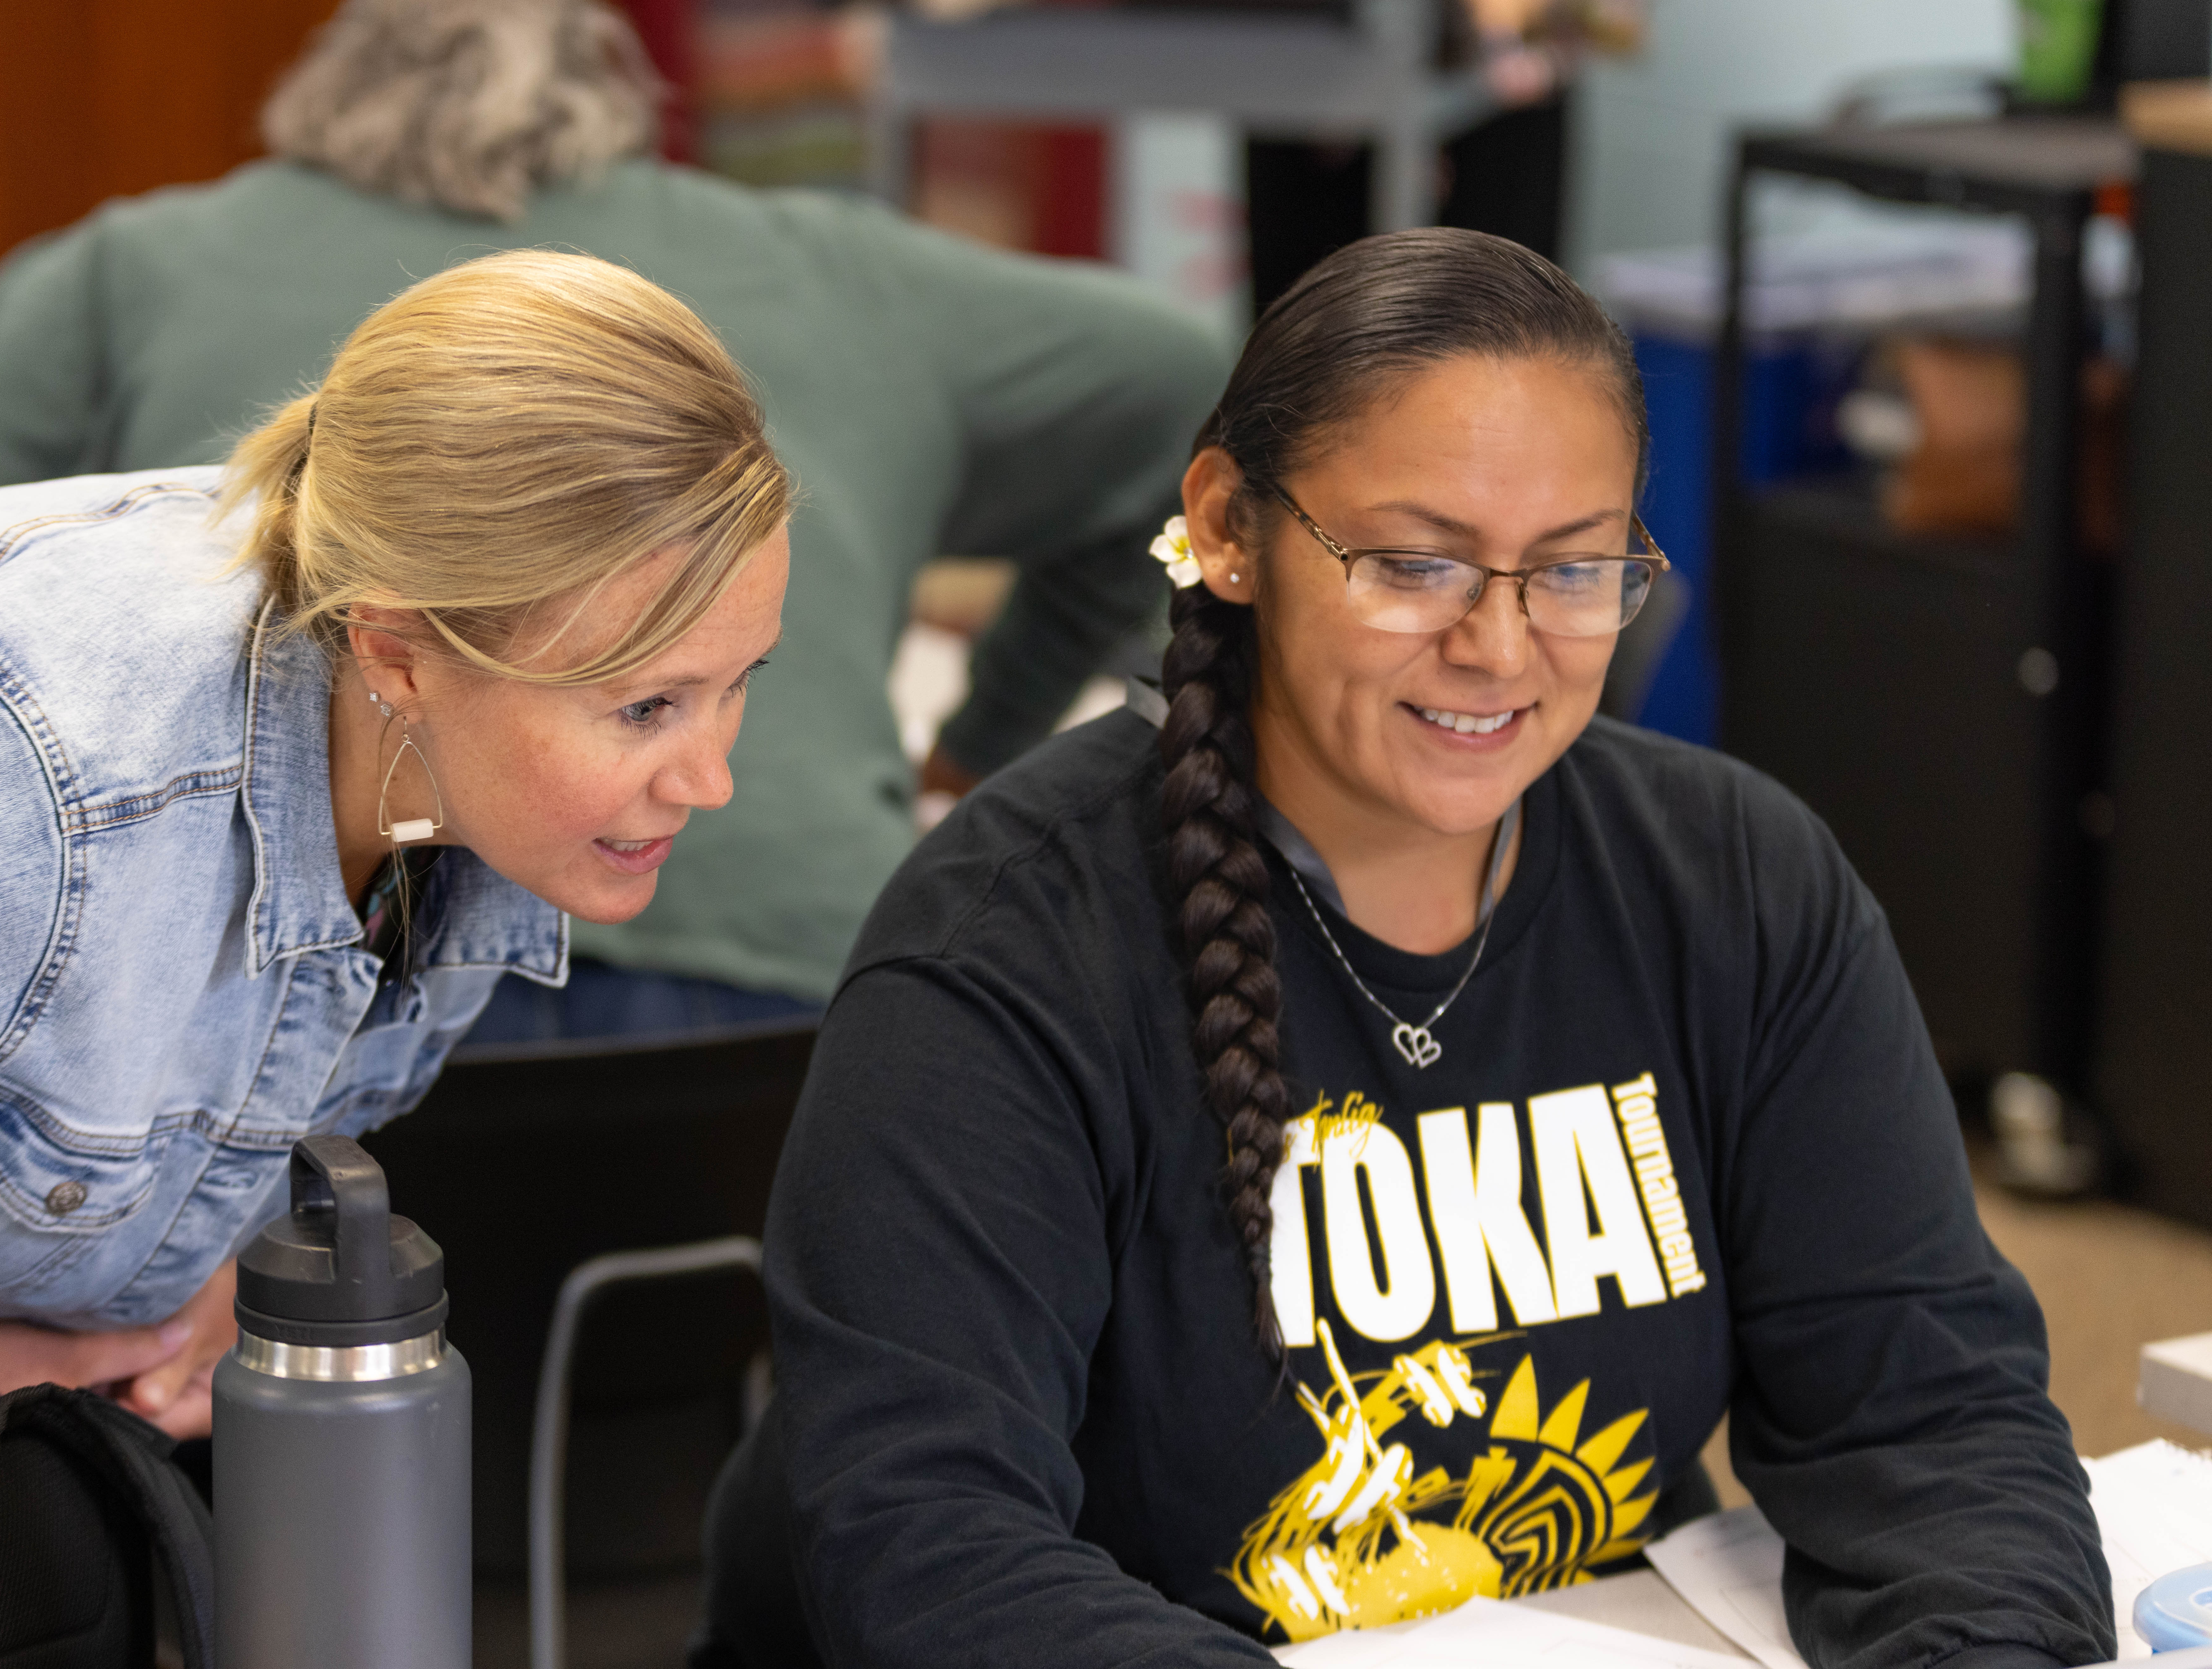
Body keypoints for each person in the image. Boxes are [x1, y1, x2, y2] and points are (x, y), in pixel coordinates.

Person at [695, 229, 2114, 1669]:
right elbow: (927, 1541)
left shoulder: (1736, 882)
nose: (1498, 646)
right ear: (1228, 529)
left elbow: (1929, 1413)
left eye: (1571, 569)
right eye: (1414, 563)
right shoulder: (1003, 951)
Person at [0, 0, 1231, 1041]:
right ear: (615, 106)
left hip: (306, 977)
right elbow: (1203, 409)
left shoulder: (151, 261)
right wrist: (978, 743)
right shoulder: (836, 265)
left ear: (325, 102)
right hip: (790, 990)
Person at [0, 251, 791, 1482]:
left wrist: (204, 1279)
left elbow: (256, 1090)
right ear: (398, 655)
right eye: (647, 707)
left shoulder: (457, 795)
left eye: (737, 685)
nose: (709, 779)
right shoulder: (3, 790)